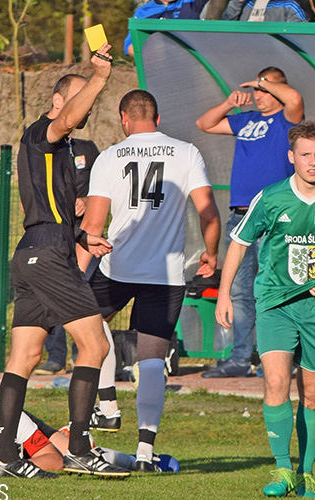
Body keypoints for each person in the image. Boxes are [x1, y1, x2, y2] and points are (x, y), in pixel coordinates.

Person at [216, 121, 315, 497]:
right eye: (305, 154)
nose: (312, 161)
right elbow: (239, 243)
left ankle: (306, 471)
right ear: (292, 157)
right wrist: (224, 293)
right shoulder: (271, 197)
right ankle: (282, 469)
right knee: (276, 382)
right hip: (276, 303)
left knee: (313, 395)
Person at [0, 45, 129, 479]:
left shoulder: (64, 153)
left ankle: (5, 458)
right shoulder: (42, 133)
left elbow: (46, 209)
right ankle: (79, 449)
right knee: (96, 346)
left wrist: (83, 235)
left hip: (33, 251)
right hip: (49, 254)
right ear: (57, 100)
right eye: (76, 97)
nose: (83, 107)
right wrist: (100, 78)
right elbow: (67, 119)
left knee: (25, 356)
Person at [79, 89, 221, 472]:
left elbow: (93, 224)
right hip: (166, 274)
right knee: (152, 359)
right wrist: (211, 253)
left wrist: (79, 264)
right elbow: (209, 213)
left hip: (118, 267)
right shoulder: (186, 152)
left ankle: (108, 404)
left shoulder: (110, 157)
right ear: (157, 119)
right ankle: (144, 452)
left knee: (89, 323)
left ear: (124, 119)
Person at [197, 66, 304, 378]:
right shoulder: (247, 120)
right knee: (241, 291)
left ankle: (283, 357)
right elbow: (205, 124)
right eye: (256, 90)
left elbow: (295, 99)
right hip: (241, 217)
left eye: (265, 90)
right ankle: (241, 359)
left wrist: (263, 82)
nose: (259, 95)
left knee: (279, 288)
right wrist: (229, 103)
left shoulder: (287, 120)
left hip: (275, 218)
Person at [0, 401, 175, 472]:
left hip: (9, 412)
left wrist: (15, 466)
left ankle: (137, 460)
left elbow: (52, 460)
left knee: (73, 456)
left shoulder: (16, 424)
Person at [33, 137, 101, 376]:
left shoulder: (87, 148)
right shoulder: (39, 149)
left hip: (86, 233)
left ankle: (82, 354)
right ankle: (55, 357)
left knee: (84, 291)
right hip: (52, 233)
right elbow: (30, 194)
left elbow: (106, 188)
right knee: (54, 293)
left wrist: (87, 201)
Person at [124, 0, 212, 56]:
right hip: (161, 70)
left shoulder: (191, 3)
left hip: (194, 65)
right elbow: (130, 46)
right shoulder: (143, 12)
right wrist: (153, 55)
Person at [223, 0, 308, 22]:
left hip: (277, 55)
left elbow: (300, 35)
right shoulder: (245, 3)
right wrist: (238, 1)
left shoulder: (289, 5)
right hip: (245, 53)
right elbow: (227, 22)